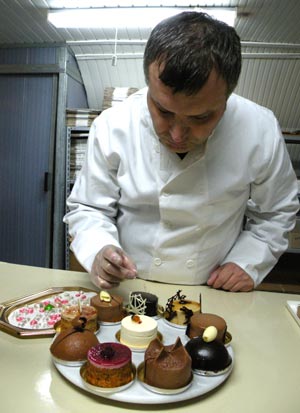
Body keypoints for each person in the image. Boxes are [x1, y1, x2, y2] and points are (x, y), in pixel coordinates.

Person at [64, 11, 299, 292]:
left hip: (213, 289)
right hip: (128, 285)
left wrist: (248, 261)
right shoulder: (112, 125)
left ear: (227, 97)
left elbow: (277, 212)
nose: (176, 134)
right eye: (163, 111)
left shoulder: (259, 129)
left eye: (200, 118)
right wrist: (100, 249)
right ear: (149, 85)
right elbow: (89, 208)